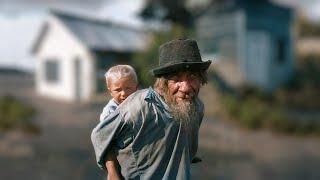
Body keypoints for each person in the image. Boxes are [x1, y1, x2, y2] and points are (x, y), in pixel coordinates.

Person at [91, 39, 211, 179]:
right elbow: (101, 136)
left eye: (192, 77)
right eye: (176, 79)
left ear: (201, 79)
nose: (185, 88)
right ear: (164, 82)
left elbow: (188, 146)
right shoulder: (140, 105)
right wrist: (113, 173)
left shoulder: (196, 108)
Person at [100, 64, 139, 179]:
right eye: (118, 90)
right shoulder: (110, 112)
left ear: (136, 87)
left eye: (128, 88)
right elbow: (105, 141)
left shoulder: (141, 102)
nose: (123, 93)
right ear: (110, 91)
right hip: (118, 155)